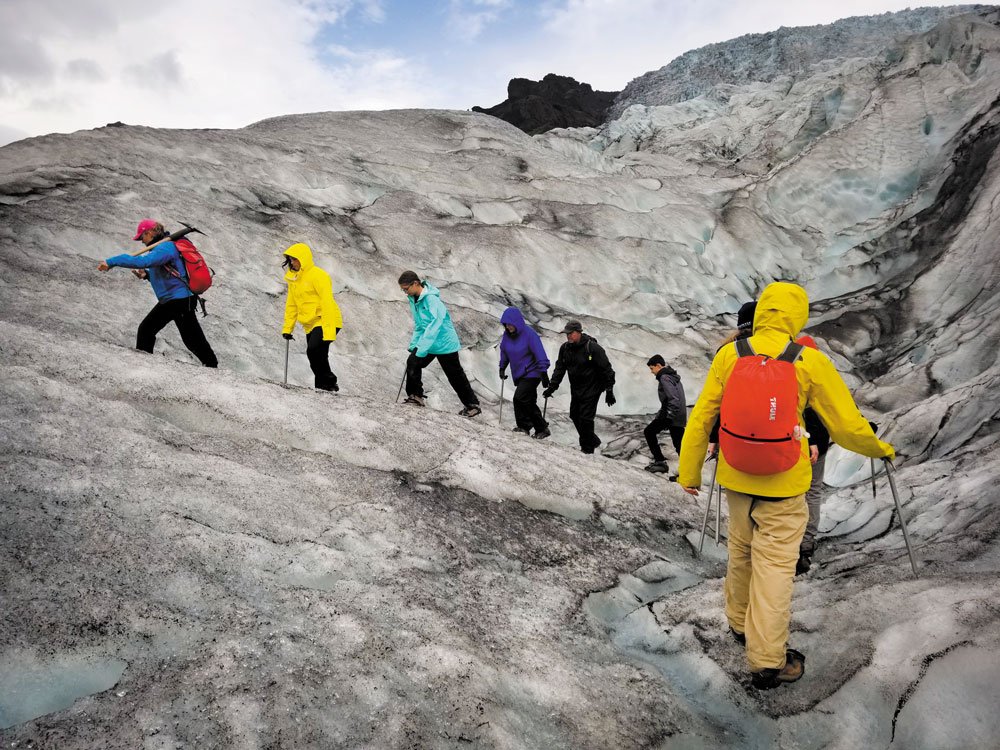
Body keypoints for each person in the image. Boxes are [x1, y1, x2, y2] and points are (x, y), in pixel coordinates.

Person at [677, 282, 895, 691]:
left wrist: (689, 473)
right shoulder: (809, 361)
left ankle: (740, 625)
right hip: (784, 485)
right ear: (796, 316)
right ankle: (767, 661)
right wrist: (880, 448)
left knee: (740, 553)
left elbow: (703, 416)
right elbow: (845, 426)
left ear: (761, 313)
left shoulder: (729, 354)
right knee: (775, 569)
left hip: (736, 479)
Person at [97, 219, 217, 367]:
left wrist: (111, 261)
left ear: (149, 233)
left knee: (148, 330)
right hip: (177, 300)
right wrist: (147, 275)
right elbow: (168, 275)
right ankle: (212, 365)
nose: (141, 241)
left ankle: (143, 366)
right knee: (191, 339)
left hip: (178, 301)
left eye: (142, 237)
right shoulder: (162, 248)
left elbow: (142, 261)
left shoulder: (165, 248)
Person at [398, 271, 481, 417]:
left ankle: (472, 405)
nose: (405, 292)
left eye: (406, 289)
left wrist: (421, 348)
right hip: (429, 342)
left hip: (444, 343)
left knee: (455, 375)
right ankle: (415, 396)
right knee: (413, 361)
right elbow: (419, 325)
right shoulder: (414, 299)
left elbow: (435, 325)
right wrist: (414, 344)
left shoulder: (431, 300)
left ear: (415, 283)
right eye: (403, 289)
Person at [542, 320, 616, 454]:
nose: (568, 336)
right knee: (574, 415)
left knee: (586, 418)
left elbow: (607, 370)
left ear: (578, 332)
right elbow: (560, 369)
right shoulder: (565, 348)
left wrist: (609, 390)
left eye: (570, 333)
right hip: (576, 388)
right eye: (567, 334)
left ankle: (587, 449)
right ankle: (592, 440)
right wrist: (552, 387)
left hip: (593, 388)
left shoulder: (592, 348)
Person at [281, 243, 343, 391]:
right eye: (290, 259)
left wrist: (328, 331)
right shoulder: (294, 279)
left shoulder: (318, 275)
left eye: (295, 259)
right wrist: (287, 329)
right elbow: (292, 305)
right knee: (317, 356)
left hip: (327, 320)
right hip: (310, 323)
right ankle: (323, 386)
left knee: (313, 350)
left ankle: (329, 381)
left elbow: (327, 303)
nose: (292, 262)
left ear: (304, 259)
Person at [795, 335, 831, 575]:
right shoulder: (822, 371)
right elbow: (837, 405)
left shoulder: (791, 369)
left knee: (797, 494)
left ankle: (793, 546)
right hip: (814, 443)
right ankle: (805, 547)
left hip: (798, 443)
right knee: (813, 492)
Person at [499, 307, 551, 439]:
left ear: (516, 322)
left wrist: (544, 373)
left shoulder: (529, 334)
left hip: (532, 372)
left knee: (519, 398)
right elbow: (504, 351)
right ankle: (535, 428)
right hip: (520, 374)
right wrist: (502, 367)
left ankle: (529, 427)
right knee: (528, 401)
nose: (508, 327)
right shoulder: (507, 336)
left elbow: (539, 352)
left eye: (510, 324)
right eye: (506, 324)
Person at [643, 355, 686, 474]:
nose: (652, 372)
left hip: (671, 414)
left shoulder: (664, 377)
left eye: (652, 368)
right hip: (679, 415)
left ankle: (660, 462)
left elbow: (673, 398)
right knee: (679, 444)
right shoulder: (673, 376)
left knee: (649, 432)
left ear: (658, 366)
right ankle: (687, 472)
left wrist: (668, 417)